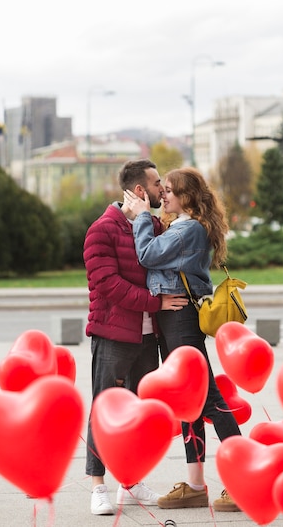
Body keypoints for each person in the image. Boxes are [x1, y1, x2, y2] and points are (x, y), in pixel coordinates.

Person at [124, 166, 242, 513]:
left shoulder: (188, 228)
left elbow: (146, 255)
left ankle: (239, 480)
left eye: (171, 190)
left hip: (180, 321)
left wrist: (143, 217)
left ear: (187, 197)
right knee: (187, 400)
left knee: (209, 399)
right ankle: (194, 485)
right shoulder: (183, 226)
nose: (165, 195)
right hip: (172, 318)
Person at [83, 158, 188, 516]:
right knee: (105, 409)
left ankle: (129, 478)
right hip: (113, 335)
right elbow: (108, 285)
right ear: (140, 190)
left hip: (147, 337)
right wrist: (155, 302)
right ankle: (98, 486)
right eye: (158, 183)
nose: (164, 189)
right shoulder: (102, 229)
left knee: (138, 412)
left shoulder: (155, 226)